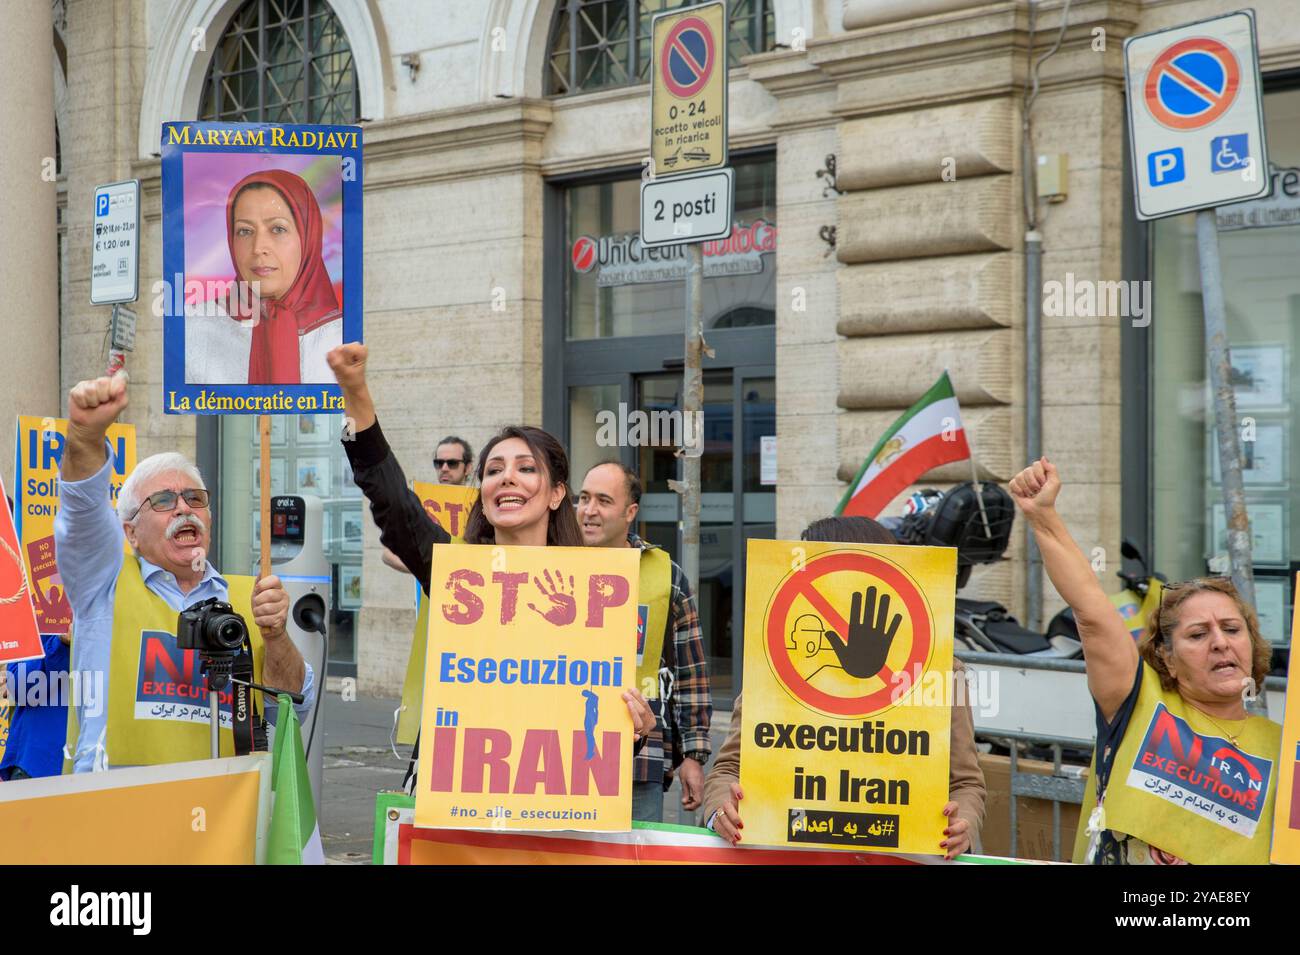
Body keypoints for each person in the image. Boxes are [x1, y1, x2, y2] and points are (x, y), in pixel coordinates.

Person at [325, 343, 655, 789]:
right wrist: (356, 392)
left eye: (526, 468)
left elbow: (596, 718)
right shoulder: (457, 576)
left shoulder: (595, 593)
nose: (507, 478)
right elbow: (392, 499)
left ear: (557, 494)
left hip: (546, 807)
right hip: (452, 800)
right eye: (494, 470)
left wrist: (632, 729)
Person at [1010, 457, 1280, 865]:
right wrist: (1043, 516)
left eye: (1231, 628)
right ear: (1167, 659)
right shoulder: (1137, 703)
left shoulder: (1285, 748)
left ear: (1252, 644)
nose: (1221, 643)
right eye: (1198, 634)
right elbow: (1092, 612)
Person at [54, 372, 315, 771]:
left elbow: (292, 706)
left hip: (222, 819)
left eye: (194, 498)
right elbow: (83, 513)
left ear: (208, 516)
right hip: (117, 814)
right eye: (162, 501)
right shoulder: (102, 584)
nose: (183, 508)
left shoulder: (248, 600)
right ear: (132, 533)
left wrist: (276, 636)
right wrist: (85, 439)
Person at [701, 515, 987, 860]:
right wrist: (720, 810)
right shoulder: (774, 671)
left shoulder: (940, 671)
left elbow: (966, 783)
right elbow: (729, 768)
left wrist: (964, 825)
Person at [578, 460, 713, 822]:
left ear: (630, 512)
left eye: (603, 501)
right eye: (584, 498)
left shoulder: (665, 575)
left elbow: (691, 672)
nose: (589, 511)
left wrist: (693, 755)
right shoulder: (548, 564)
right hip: (553, 756)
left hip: (638, 763)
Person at [186, 169, 342, 386]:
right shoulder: (193, 328)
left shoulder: (342, 338)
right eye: (244, 231)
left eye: (278, 229)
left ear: (308, 237)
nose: (258, 248)